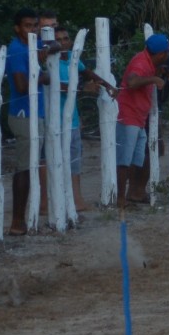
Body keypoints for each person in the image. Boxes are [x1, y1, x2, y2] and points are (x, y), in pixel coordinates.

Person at [52, 24, 115, 208]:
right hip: (56, 121)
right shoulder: (49, 62)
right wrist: (82, 88)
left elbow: (87, 73)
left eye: (65, 39)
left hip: (72, 119)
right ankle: (60, 200)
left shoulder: (72, 58)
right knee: (57, 161)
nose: (63, 43)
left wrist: (106, 84)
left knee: (75, 161)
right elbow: (55, 85)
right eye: (59, 40)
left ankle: (76, 198)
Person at [4, 7, 51, 234]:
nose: (32, 30)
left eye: (35, 26)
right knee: (24, 168)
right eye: (28, 26)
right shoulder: (17, 50)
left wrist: (47, 49)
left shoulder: (33, 44)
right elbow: (22, 86)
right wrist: (43, 76)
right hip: (24, 114)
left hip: (35, 113)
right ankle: (17, 222)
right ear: (17, 28)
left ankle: (23, 219)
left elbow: (59, 45)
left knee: (32, 165)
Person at [115, 33, 169, 207]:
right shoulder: (141, 63)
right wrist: (153, 79)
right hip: (129, 115)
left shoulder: (147, 61)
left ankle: (130, 193)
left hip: (138, 116)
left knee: (135, 158)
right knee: (125, 159)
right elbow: (132, 82)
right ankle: (121, 198)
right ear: (160, 54)